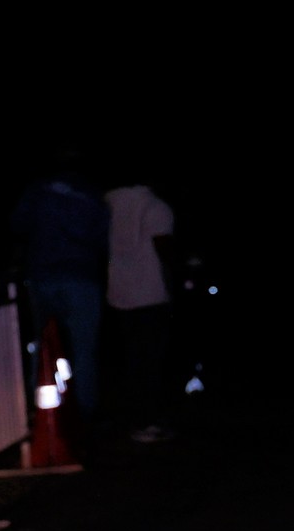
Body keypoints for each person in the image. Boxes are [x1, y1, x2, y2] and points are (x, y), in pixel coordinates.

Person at [11, 152, 110, 419]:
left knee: (41, 341)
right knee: (84, 347)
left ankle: (38, 405)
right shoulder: (91, 193)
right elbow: (102, 236)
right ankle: (85, 409)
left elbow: (18, 224)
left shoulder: (37, 190)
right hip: (81, 276)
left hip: (42, 275)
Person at [102, 174, 177, 441]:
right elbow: (165, 250)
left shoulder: (110, 204)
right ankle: (147, 420)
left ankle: (133, 417)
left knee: (131, 358)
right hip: (151, 293)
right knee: (150, 360)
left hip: (119, 293)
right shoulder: (156, 207)